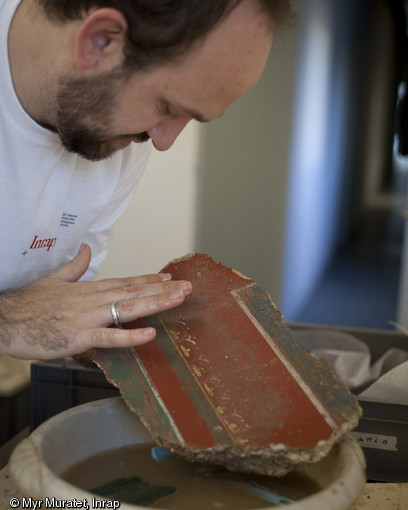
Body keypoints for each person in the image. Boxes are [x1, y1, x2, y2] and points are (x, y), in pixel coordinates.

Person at [0, 0, 292, 361]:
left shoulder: (120, 137)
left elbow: (59, 303)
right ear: (100, 41)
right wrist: (8, 320)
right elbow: (22, 320)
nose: (164, 142)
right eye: (167, 107)